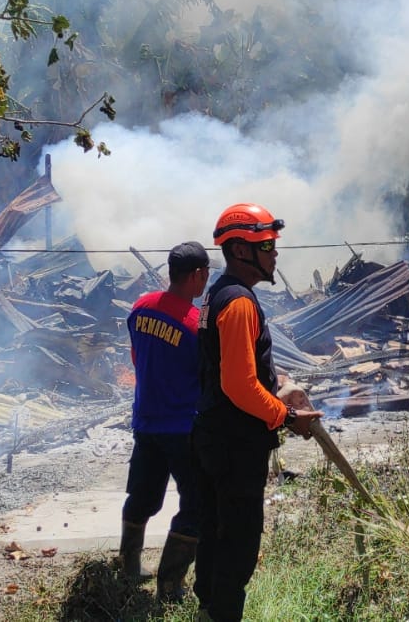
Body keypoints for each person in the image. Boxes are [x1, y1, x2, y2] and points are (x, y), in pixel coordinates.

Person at [192, 203, 320, 622]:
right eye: (266, 245)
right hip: (234, 442)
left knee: (214, 528)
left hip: (214, 433)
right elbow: (239, 385)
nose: (275, 254)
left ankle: (208, 608)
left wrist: (275, 377)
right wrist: (286, 417)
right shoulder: (240, 303)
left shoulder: (218, 294)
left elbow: (232, 365)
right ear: (241, 251)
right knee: (239, 541)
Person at [120, 241, 211, 599]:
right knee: (197, 502)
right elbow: (206, 378)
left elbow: (135, 358)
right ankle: (170, 584)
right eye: (206, 274)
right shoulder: (194, 325)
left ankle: (128, 566)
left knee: (142, 495)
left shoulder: (140, 308)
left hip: (145, 422)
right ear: (196, 275)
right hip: (182, 430)